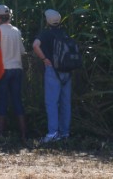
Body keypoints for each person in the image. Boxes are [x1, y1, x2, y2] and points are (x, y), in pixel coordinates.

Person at [0, 4, 27, 143]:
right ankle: (23, 133)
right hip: (17, 69)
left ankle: (1, 133)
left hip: (4, 69)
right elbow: (22, 51)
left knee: (2, 100)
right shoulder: (16, 30)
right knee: (17, 100)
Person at [32, 9, 72, 143]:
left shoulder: (45, 34)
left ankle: (53, 133)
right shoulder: (64, 33)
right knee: (65, 103)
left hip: (52, 71)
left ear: (47, 21)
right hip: (67, 71)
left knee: (52, 102)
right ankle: (64, 133)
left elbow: (35, 46)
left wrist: (44, 59)